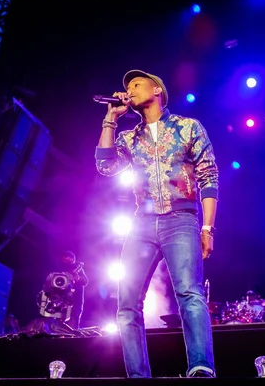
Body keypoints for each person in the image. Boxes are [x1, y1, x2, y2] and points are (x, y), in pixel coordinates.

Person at [95, 70, 219, 378]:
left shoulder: (187, 127)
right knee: (126, 303)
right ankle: (138, 375)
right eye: (127, 87)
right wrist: (110, 119)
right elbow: (105, 165)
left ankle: (201, 366)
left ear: (157, 90)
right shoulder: (128, 137)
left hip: (182, 218)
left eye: (137, 84)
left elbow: (209, 177)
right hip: (142, 221)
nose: (130, 90)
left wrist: (207, 228)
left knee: (189, 293)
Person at [58, 250, 88, 329]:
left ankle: (72, 337)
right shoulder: (60, 269)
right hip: (63, 298)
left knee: (75, 316)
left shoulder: (78, 268)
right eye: (65, 257)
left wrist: (78, 278)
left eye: (69, 257)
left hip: (76, 297)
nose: (67, 259)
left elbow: (85, 281)